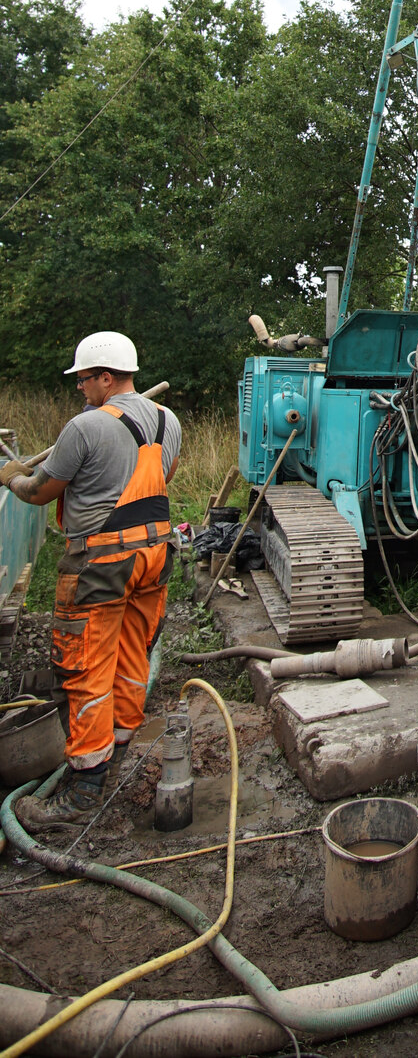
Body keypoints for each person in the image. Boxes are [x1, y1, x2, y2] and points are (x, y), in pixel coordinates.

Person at [0, 332, 181, 829]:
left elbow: (40, 492)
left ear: (106, 376)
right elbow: (158, 480)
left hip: (102, 564)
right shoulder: (169, 421)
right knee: (132, 654)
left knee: (85, 669)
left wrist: (12, 477)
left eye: (83, 379)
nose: (80, 388)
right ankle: (119, 742)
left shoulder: (84, 428)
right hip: (155, 555)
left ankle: (83, 791)